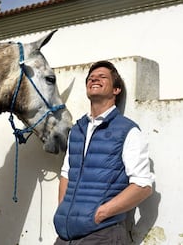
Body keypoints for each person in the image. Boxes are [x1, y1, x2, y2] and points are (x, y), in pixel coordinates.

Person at [53, 60, 155, 244]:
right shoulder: (77, 129)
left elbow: (142, 185)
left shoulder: (128, 130)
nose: (94, 79)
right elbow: (66, 173)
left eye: (102, 77)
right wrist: (63, 208)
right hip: (65, 234)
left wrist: (100, 215)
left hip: (103, 234)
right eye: (90, 78)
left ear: (116, 90)